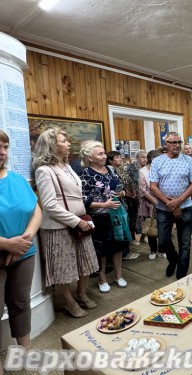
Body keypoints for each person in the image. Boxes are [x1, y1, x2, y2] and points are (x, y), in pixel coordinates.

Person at [32, 128, 99, 318]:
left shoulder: (67, 167)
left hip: (80, 224)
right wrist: (76, 221)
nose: (69, 144)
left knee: (85, 262)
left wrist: (81, 219)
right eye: (63, 141)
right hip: (58, 227)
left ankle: (81, 294)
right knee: (62, 268)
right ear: (51, 145)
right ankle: (69, 303)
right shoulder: (44, 171)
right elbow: (49, 205)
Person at [0, 130, 42, 370]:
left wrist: (24, 240)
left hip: (24, 253)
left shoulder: (16, 179)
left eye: (5, 147)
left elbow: (36, 209)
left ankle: (25, 348)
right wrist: (6, 244)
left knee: (20, 302)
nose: (2, 152)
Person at [80, 141, 129, 293]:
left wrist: (120, 193)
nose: (104, 156)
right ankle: (102, 278)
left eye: (104, 152)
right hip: (99, 217)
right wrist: (104, 205)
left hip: (115, 214)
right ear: (90, 157)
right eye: (100, 153)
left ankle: (118, 275)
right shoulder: (85, 174)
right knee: (101, 248)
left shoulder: (110, 169)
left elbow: (118, 187)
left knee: (118, 245)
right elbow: (83, 199)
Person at [149, 132, 192, 279]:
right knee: (163, 241)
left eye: (179, 142)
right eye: (173, 142)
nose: (177, 145)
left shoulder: (188, 160)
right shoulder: (158, 161)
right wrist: (170, 203)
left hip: (186, 207)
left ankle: (181, 274)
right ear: (166, 145)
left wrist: (178, 202)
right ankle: (173, 259)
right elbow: (153, 186)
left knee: (185, 243)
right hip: (163, 209)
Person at [106, 151, 139, 260]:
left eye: (120, 157)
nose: (120, 159)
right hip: (118, 202)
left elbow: (129, 183)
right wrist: (126, 193)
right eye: (117, 157)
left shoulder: (121, 169)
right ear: (110, 160)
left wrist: (131, 192)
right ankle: (124, 253)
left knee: (127, 224)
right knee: (122, 226)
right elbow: (117, 190)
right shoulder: (110, 171)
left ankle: (126, 250)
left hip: (128, 200)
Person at [138, 149, 165, 260]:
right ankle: (153, 250)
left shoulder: (161, 169)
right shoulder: (143, 171)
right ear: (152, 159)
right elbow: (142, 190)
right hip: (149, 203)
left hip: (163, 201)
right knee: (151, 226)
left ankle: (162, 250)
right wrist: (155, 202)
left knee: (163, 227)